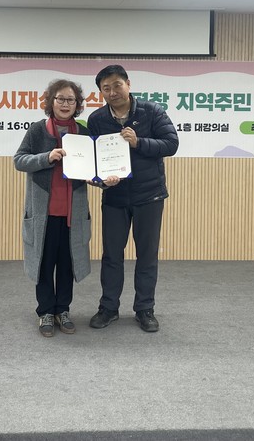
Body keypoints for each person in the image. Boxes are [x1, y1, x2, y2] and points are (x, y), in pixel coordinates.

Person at [87, 65, 179, 332]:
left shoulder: (152, 111)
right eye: (106, 88)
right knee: (111, 255)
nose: (112, 92)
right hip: (114, 197)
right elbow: (94, 160)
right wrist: (99, 180)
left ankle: (145, 309)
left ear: (128, 84)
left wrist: (139, 142)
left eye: (117, 85)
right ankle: (108, 308)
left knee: (147, 255)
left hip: (149, 196)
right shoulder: (97, 119)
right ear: (101, 92)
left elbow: (171, 144)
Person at [13, 79, 92, 337]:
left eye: (71, 100)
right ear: (51, 101)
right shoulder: (38, 130)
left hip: (72, 213)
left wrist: (104, 179)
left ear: (77, 104)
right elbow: (19, 160)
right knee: (44, 264)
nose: (65, 104)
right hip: (43, 214)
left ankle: (63, 310)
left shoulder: (83, 133)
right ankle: (46, 311)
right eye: (61, 99)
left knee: (68, 265)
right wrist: (46, 157)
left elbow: (94, 169)